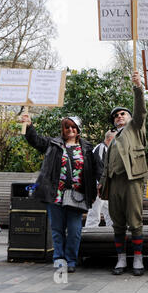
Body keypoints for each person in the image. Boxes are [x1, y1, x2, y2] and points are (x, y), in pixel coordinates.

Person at [20, 114, 101, 273]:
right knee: (57, 229)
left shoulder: (87, 148)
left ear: (78, 129)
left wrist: (95, 191)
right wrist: (29, 126)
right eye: (67, 127)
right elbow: (35, 141)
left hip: (77, 196)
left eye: (73, 127)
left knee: (74, 230)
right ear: (63, 130)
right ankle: (59, 259)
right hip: (55, 194)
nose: (70, 129)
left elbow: (95, 171)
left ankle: (71, 259)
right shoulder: (53, 144)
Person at [98, 71, 148, 276]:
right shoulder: (113, 138)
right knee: (117, 222)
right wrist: (102, 182)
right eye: (116, 115)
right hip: (114, 182)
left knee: (135, 220)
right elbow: (107, 164)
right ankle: (121, 259)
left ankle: (138, 258)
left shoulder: (135, 127)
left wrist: (138, 88)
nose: (119, 116)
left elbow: (140, 111)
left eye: (122, 114)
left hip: (132, 180)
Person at [85, 130, 116, 227]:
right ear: (110, 139)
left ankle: (112, 234)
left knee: (111, 213)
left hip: (104, 186)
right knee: (94, 214)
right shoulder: (101, 148)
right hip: (98, 186)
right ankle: (89, 236)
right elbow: (99, 168)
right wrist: (101, 185)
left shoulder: (107, 149)